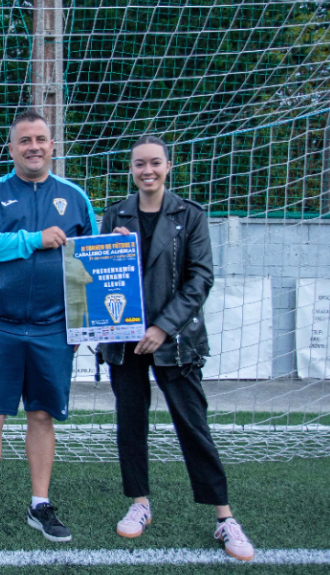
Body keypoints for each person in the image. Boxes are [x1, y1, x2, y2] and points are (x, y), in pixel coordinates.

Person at [99, 135, 255, 561]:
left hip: (176, 343)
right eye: (138, 164)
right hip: (125, 343)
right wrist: (109, 250)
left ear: (169, 166)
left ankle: (224, 517)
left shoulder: (190, 215)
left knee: (192, 424)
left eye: (154, 163)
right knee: (131, 423)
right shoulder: (115, 215)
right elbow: (100, 279)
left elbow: (200, 278)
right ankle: (139, 503)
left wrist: (163, 328)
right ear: (130, 169)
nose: (146, 171)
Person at [0, 111, 97, 545]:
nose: (33, 146)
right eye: (24, 140)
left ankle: (40, 504)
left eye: (41, 139)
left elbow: (92, 258)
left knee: (41, 416)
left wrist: (120, 246)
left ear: (53, 145)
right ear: (12, 148)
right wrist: (33, 239)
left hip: (54, 328)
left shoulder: (75, 196)